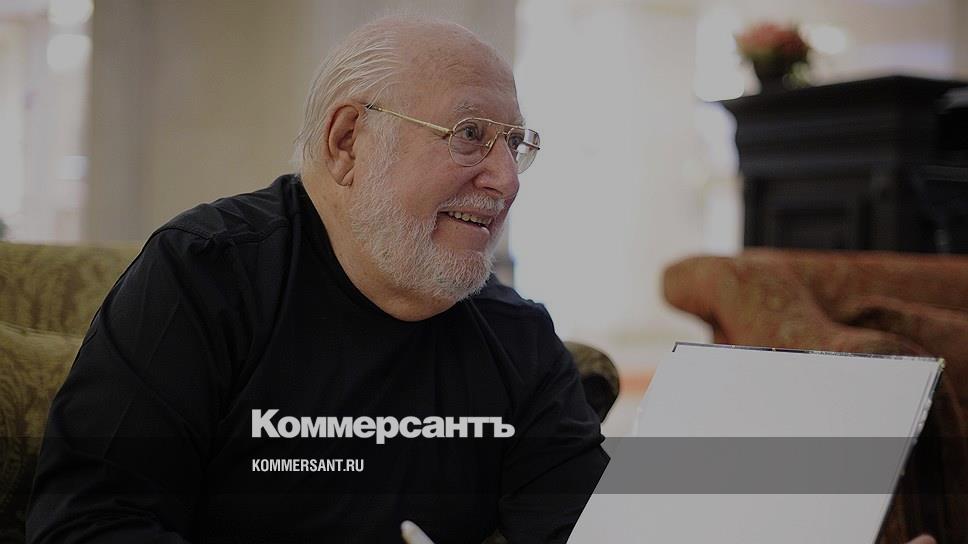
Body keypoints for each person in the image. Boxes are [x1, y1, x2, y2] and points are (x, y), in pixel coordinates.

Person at [26, 16, 607, 544]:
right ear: (347, 141)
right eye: (470, 133)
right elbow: (88, 521)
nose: (506, 179)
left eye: (514, 143)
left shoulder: (517, 337)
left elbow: (596, 529)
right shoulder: (204, 275)